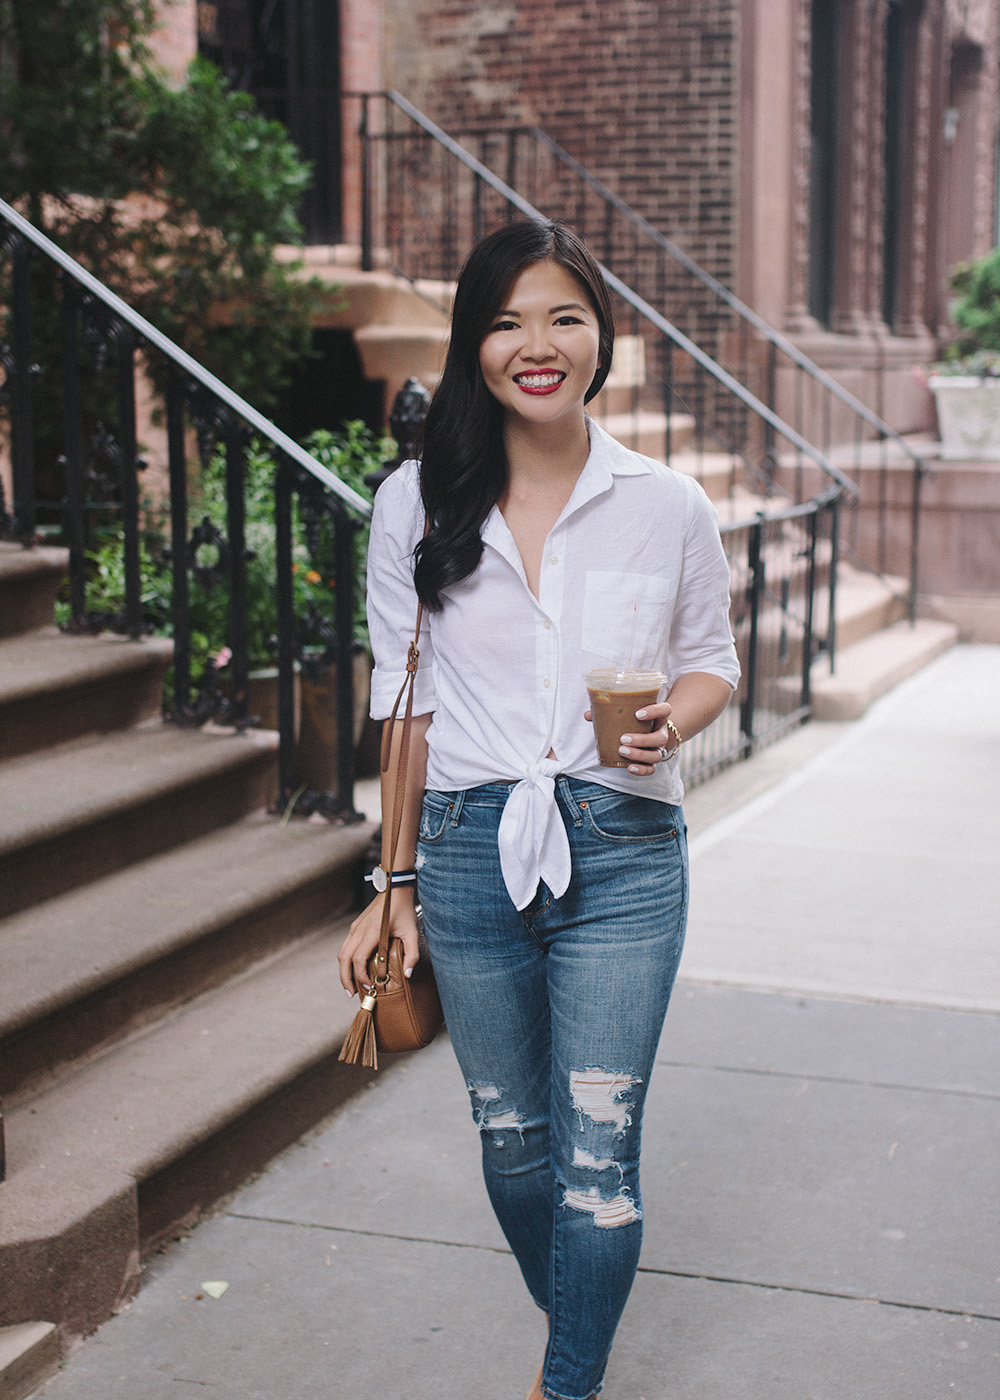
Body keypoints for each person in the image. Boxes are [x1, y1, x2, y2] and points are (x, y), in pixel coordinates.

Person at [338, 220, 740, 1400]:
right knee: (514, 1143)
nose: (538, 344)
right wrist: (389, 884)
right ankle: (579, 1321)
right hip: (467, 852)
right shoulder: (415, 503)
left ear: (600, 336)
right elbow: (401, 705)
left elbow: (711, 661)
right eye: (507, 321)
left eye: (564, 316)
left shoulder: (666, 504)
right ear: (474, 343)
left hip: (624, 848)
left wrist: (673, 720)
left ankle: (564, 1385)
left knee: (596, 1159)